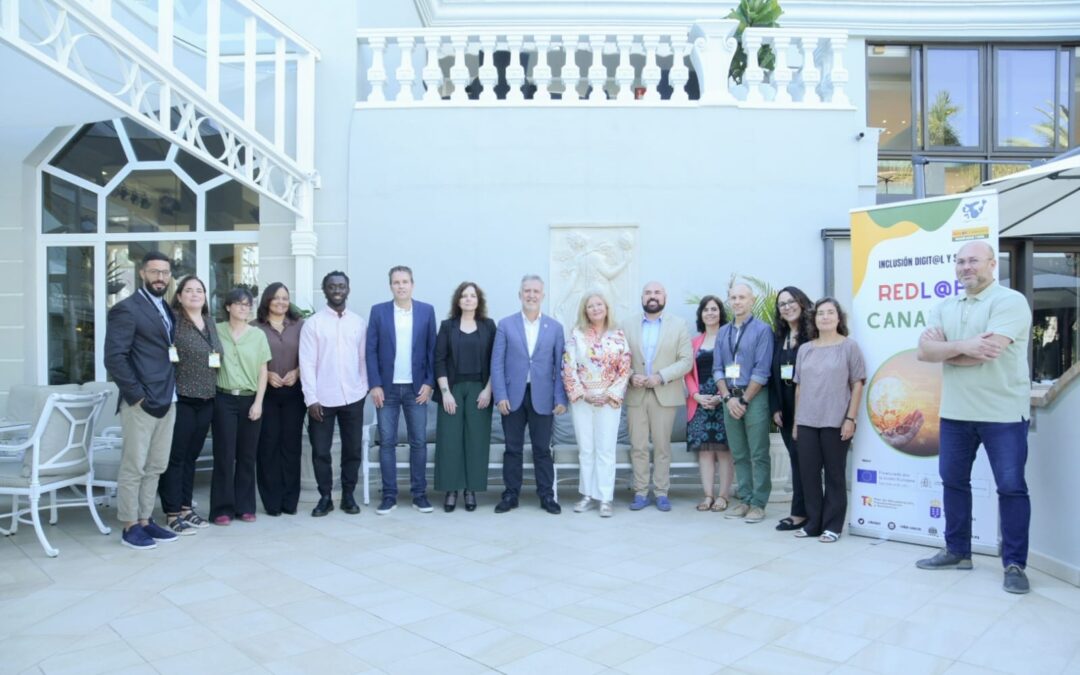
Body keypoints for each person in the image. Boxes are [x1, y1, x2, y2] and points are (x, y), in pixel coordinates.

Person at [915, 241, 1034, 594]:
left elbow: (989, 351)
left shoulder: (1010, 302)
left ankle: (1014, 564)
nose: (966, 267)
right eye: (960, 261)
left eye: (973, 261)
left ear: (992, 264)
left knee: (1011, 488)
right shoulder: (946, 306)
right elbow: (924, 352)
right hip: (955, 413)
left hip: (1003, 414)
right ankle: (957, 551)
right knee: (953, 482)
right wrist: (965, 346)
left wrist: (948, 350)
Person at [103, 250, 180, 549]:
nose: (160, 277)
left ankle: (146, 521)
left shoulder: (165, 308)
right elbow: (114, 357)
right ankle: (129, 525)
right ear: (142, 274)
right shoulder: (127, 309)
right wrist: (135, 396)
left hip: (167, 397)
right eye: (154, 272)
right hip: (142, 402)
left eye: (164, 272)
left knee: (156, 465)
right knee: (134, 466)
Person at [491, 274, 568, 515]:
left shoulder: (555, 328)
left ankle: (546, 495)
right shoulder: (505, 325)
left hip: (543, 396)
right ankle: (510, 494)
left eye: (536, 291)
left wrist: (560, 398)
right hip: (513, 396)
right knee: (512, 448)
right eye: (527, 291)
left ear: (542, 295)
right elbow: (497, 363)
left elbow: (560, 366)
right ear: (520, 294)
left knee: (542, 449)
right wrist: (500, 395)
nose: (531, 295)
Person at [792, 298, 866, 542]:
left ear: (838, 318)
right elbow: (799, 388)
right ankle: (813, 523)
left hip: (836, 421)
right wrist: (796, 422)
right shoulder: (805, 349)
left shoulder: (849, 347)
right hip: (807, 421)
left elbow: (857, 384)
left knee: (834, 475)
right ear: (814, 319)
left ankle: (833, 526)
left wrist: (850, 419)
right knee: (809, 475)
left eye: (830, 312)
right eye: (820, 313)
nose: (825, 317)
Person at [367, 266, 438, 515]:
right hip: (386, 389)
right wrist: (374, 384)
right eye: (396, 282)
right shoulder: (379, 312)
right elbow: (371, 350)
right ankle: (389, 496)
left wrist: (429, 383)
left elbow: (433, 351)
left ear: (412, 284)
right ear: (390, 286)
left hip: (416, 388)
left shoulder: (427, 312)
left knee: (418, 442)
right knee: (387, 442)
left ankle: (419, 495)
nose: (401, 286)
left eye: (405, 281)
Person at [299, 271, 369, 517]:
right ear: (324, 289)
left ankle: (348, 495)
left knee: (352, 450)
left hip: (353, 397)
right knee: (320, 451)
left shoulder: (358, 323)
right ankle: (325, 496)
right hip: (322, 400)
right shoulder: (313, 324)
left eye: (341, 286)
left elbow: (362, 359)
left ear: (348, 289)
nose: (337, 289)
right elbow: (306, 363)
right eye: (332, 286)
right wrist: (311, 399)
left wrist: (363, 388)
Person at [623, 281, 693, 512]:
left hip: (665, 392)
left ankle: (662, 492)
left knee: (662, 447)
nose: (652, 296)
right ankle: (641, 492)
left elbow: (686, 360)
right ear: (642, 297)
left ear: (665, 297)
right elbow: (619, 358)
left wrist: (661, 376)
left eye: (657, 292)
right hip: (636, 393)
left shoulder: (679, 325)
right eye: (648, 292)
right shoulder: (626, 325)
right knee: (638, 446)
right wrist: (631, 375)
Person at [158, 275, 219, 535]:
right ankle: (172, 513)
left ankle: (185, 508)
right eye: (189, 290)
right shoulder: (172, 321)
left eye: (200, 290)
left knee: (191, 457)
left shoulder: (210, 322)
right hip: (181, 398)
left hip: (206, 399)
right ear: (179, 295)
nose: (195, 294)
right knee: (176, 457)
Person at [562, 291, 631, 518]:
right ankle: (587, 495)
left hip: (609, 401)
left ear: (606, 308)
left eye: (599, 304)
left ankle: (605, 498)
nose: (595, 309)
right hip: (583, 400)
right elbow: (568, 367)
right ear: (585, 310)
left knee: (605, 449)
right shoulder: (577, 335)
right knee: (587, 449)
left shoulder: (618, 335)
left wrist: (609, 393)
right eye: (590, 306)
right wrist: (583, 394)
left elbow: (625, 369)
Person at [713, 281, 774, 523]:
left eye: (742, 297)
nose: (737, 302)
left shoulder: (762, 330)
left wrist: (744, 400)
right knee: (739, 453)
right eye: (733, 298)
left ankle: (758, 504)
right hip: (730, 398)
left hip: (754, 398)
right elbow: (718, 369)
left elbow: (761, 370)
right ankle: (745, 499)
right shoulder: (723, 332)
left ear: (751, 301)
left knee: (758, 453)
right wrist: (728, 398)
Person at [433, 282, 496, 512]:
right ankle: (451, 490)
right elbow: (438, 360)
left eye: (472, 296)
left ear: (478, 301)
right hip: (452, 389)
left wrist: (489, 389)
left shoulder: (488, 326)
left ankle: (471, 490)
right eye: (464, 296)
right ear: (457, 301)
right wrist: (445, 392)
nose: (468, 299)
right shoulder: (447, 326)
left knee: (476, 440)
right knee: (450, 441)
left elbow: (495, 361)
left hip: (481, 389)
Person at [209, 287, 270, 525]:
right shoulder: (215, 330)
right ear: (228, 307)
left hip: (249, 399)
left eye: (248, 304)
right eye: (239, 304)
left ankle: (245, 506)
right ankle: (221, 509)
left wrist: (258, 403)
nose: (244, 308)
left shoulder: (257, 335)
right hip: (223, 398)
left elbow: (263, 372)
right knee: (224, 455)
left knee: (247, 455)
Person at [253, 283, 305, 516]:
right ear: (267, 300)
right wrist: (267, 374)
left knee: (291, 447)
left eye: (285, 298)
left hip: (294, 393)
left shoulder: (299, 326)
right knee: (268, 447)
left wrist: (298, 372)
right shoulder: (254, 328)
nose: (281, 302)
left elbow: (311, 355)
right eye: (276, 298)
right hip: (267, 393)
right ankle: (272, 502)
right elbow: (248, 360)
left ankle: (289, 501)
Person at [769, 286, 814, 531]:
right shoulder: (779, 336)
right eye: (782, 304)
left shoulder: (813, 335)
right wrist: (775, 407)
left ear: (801, 301)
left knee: (806, 461)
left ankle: (804, 513)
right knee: (797, 460)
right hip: (784, 408)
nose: (786, 307)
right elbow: (773, 375)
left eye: (790, 301)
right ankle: (801, 511)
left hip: (808, 406)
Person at [685, 295, 733, 512]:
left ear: (720, 313)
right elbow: (686, 373)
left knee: (724, 451)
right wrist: (696, 395)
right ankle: (707, 496)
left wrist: (721, 394)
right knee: (704, 452)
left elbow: (734, 370)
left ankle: (723, 496)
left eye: (714, 309)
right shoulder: (694, 343)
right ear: (701, 314)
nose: (710, 313)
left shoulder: (730, 338)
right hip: (699, 404)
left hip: (723, 400)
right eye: (706, 310)